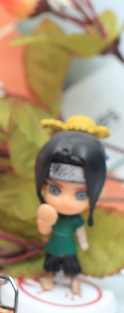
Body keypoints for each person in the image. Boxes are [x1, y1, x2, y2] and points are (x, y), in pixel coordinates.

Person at [35, 115, 109, 294]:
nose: (66, 202)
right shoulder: (53, 214)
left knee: (72, 263)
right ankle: (49, 276)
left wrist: (83, 242)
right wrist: (44, 222)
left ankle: (74, 280)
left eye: (81, 194)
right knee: (51, 262)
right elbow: (45, 232)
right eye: (55, 190)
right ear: (43, 185)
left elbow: (80, 231)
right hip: (54, 243)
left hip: (69, 245)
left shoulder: (75, 219)